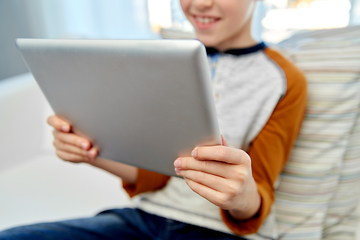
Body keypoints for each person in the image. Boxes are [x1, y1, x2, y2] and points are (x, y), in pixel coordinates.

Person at [0, 0, 307, 239]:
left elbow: (259, 194)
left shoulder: (282, 80)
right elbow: (157, 174)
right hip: (142, 220)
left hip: (221, 233)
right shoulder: (163, 59)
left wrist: (240, 196)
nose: (199, 4)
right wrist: (86, 150)